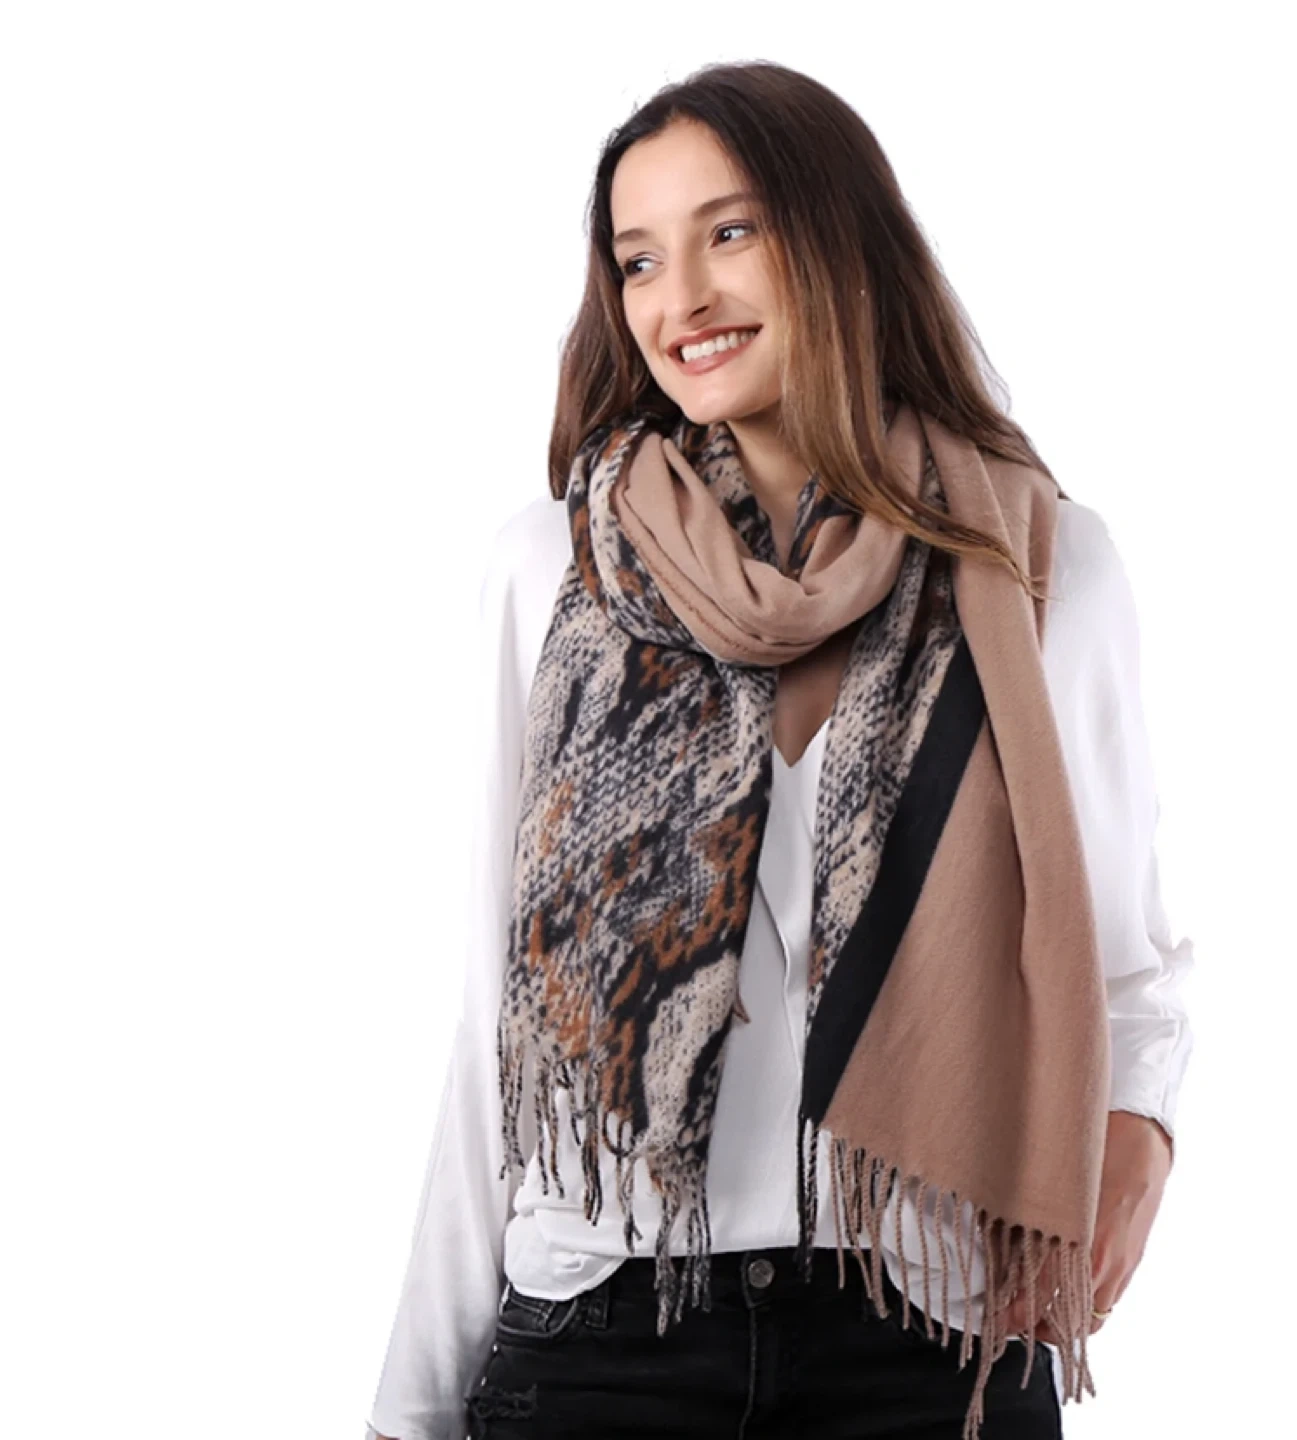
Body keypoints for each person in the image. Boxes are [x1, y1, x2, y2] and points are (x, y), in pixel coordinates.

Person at [365, 59, 1194, 1440]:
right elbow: (493, 1011)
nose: (679, 297)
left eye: (730, 232)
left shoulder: (1037, 565)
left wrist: (1143, 1128)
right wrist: (412, 1405)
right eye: (639, 259)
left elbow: (1128, 955)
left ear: (840, 241)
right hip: (600, 1332)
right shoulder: (557, 571)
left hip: (929, 1337)